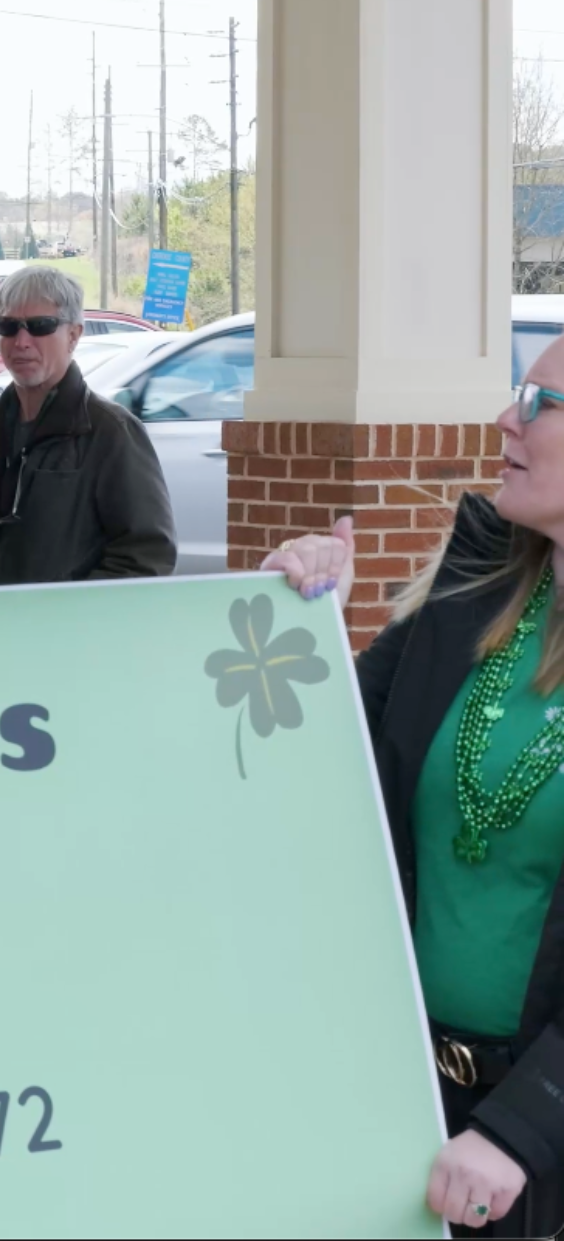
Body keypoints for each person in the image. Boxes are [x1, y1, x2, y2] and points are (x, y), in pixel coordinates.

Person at [265, 343, 564, 1235]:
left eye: (540, 400)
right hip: (403, 1093)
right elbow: (318, 754)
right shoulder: (472, 596)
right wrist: (301, 621)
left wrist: (521, 1129)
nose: (506, 421)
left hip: (527, 1147)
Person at [0, 264, 174, 585]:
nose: (21, 341)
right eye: (7, 326)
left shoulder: (109, 432)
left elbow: (148, 557)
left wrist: (65, 615)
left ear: (74, 335)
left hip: (68, 632)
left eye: (40, 326)